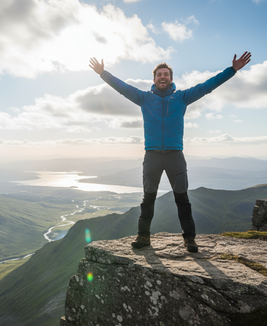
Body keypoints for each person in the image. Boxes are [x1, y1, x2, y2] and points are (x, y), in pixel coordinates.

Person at [89, 52, 251, 252]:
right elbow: (123, 88)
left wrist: (232, 70)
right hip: (152, 156)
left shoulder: (182, 97)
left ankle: (189, 239)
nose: (162, 77)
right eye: (159, 75)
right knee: (148, 198)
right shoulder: (144, 98)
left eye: (166, 74)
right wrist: (103, 73)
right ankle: (143, 236)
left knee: (182, 198)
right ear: (154, 79)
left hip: (175, 156)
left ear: (171, 79)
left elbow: (208, 86)